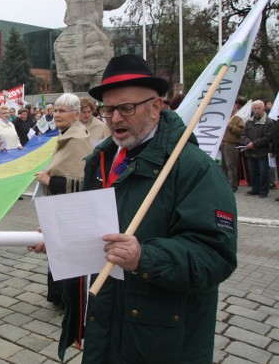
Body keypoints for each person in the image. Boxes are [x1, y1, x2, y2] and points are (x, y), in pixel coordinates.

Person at [34, 54, 237, 363]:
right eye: (109, 109)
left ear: (156, 107)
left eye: (126, 108)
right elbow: (96, 235)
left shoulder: (194, 169)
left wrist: (145, 256)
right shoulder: (98, 162)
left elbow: (215, 255)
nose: (115, 119)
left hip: (160, 340)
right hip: (106, 325)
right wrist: (62, 236)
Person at [33, 93, 92, 349]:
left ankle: (69, 299)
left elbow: (80, 180)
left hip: (70, 208)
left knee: (66, 251)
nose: (56, 114)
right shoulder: (68, 134)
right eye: (55, 110)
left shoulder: (77, 138)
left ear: (76, 114)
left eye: (63, 111)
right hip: (59, 206)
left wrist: (51, 180)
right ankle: (59, 295)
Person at [243, 100, 273, 198]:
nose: (256, 110)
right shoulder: (249, 121)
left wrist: (254, 143)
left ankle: (264, 190)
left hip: (262, 151)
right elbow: (243, 135)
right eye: (254, 108)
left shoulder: (269, 122)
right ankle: (255, 189)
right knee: (253, 171)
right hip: (250, 151)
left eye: (258, 108)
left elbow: (268, 137)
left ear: (263, 108)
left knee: (263, 171)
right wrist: (247, 142)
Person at [221, 96, 246, 192]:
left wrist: (231, 126)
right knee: (224, 166)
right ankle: (225, 183)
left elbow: (241, 130)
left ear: (235, 105)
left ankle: (233, 185)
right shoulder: (226, 115)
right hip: (223, 142)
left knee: (231, 165)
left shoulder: (238, 117)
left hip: (232, 143)